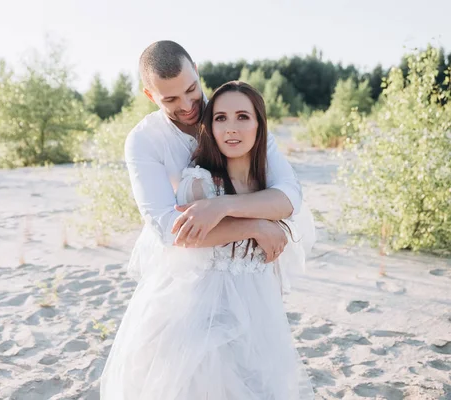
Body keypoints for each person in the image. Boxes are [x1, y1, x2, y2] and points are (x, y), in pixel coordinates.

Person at [100, 80, 314, 399]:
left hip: (259, 312)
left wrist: (227, 207)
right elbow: (176, 233)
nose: (231, 128)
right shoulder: (198, 183)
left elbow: (290, 199)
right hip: (203, 312)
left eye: (243, 117)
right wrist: (256, 225)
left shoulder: (265, 180)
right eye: (220, 119)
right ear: (210, 128)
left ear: (259, 124)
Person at [121, 41, 314, 283]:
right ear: (150, 95)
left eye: (191, 89)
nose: (187, 105)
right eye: (171, 99)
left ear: (196, 71)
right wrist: (253, 227)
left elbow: (290, 194)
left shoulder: (234, 113)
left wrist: (223, 206)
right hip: (187, 272)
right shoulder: (143, 141)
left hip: (249, 269)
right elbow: (167, 228)